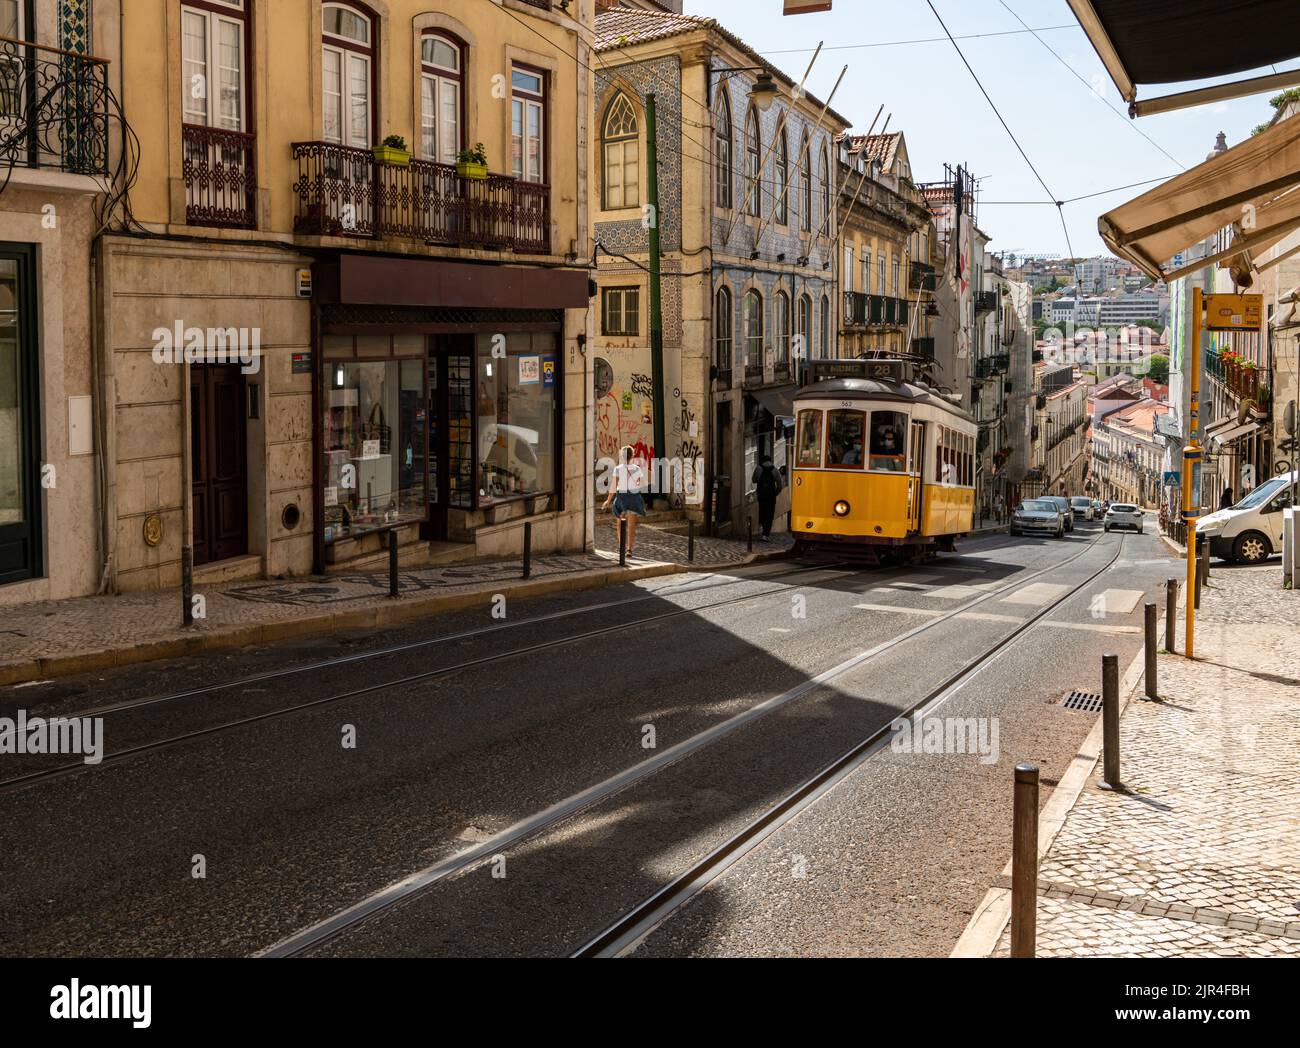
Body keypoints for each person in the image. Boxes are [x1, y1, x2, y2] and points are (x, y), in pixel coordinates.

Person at [602, 446, 647, 555]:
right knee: (631, 525)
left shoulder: (618, 469)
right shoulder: (637, 469)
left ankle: (622, 547)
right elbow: (642, 484)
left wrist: (608, 500)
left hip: (621, 497)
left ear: (622, 456)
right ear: (632, 455)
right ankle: (629, 549)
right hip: (633, 497)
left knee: (620, 524)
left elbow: (613, 486)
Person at [752, 456, 784, 540]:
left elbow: (753, 480)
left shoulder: (758, 468)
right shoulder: (775, 470)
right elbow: (780, 485)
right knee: (769, 515)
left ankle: (762, 526)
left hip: (761, 495)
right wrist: (775, 493)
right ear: (770, 461)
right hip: (771, 496)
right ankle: (765, 534)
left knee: (762, 511)